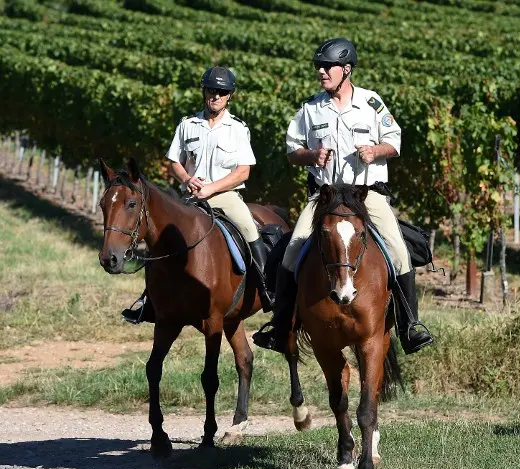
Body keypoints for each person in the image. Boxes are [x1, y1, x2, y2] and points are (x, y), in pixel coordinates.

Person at [252, 38, 433, 355]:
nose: (321, 72)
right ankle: (280, 328)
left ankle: (410, 326)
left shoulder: (371, 103)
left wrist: (375, 151)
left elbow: (394, 142)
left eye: (327, 66)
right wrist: (312, 156)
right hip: (325, 197)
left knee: (398, 249)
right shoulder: (310, 108)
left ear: (346, 69)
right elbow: (292, 152)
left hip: (366, 195)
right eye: (318, 67)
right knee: (291, 252)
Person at [121, 66, 273, 323]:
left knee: (249, 229)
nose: (216, 96)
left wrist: (212, 187)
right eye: (212, 90)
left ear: (230, 96)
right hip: (191, 198)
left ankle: (268, 289)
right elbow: (174, 162)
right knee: (162, 237)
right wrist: (187, 179)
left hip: (225, 195)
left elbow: (243, 171)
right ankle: (150, 301)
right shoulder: (187, 125)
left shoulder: (238, 129)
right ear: (204, 92)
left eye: (222, 92)